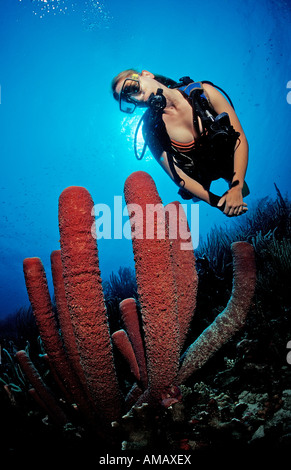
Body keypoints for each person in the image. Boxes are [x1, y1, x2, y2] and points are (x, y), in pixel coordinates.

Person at [112, 69, 250, 217]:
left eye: (131, 88)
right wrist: (217, 202)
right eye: (128, 100)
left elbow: (239, 136)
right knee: (195, 192)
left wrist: (237, 185)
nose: (136, 99)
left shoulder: (205, 93)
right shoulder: (151, 131)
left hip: (225, 159)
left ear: (146, 74)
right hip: (199, 174)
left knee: (243, 190)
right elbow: (178, 176)